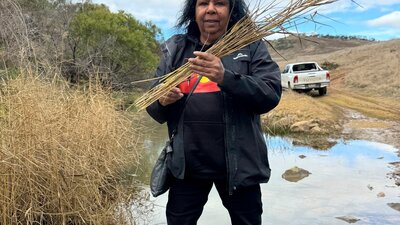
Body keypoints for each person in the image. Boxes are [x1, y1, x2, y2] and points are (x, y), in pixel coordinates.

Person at [146, 0, 281, 224]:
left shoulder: (250, 46)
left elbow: (270, 95)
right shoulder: (176, 49)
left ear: (232, 10)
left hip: (240, 167)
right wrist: (161, 100)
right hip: (186, 167)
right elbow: (152, 107)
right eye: (202, 3)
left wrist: (225, 77)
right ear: (194, 11)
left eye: (219, 3)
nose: (210, 9)